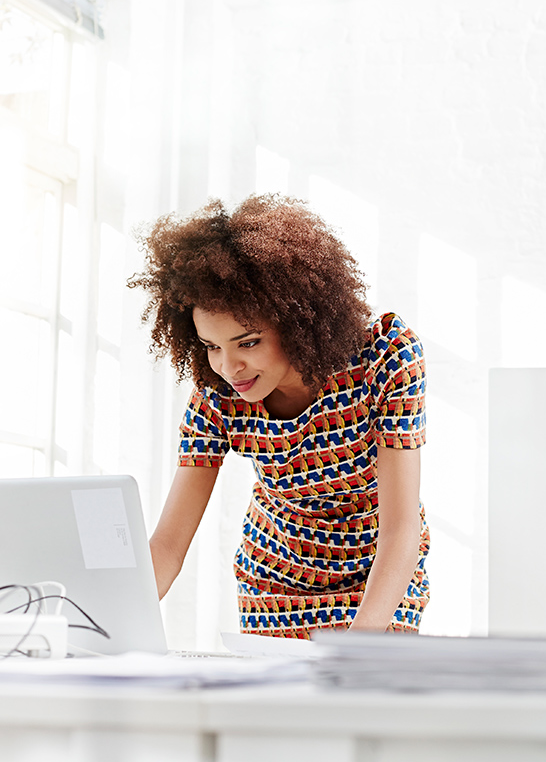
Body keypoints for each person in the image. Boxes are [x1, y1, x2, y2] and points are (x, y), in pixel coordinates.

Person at [128, 194, 430, 638]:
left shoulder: (385, 356)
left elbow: (401, 529)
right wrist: (103, 627)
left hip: (380, 573)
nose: (229, 367)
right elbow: (169, 544)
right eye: (213, 346)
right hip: (274, 585)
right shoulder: (219, 393)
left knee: (361, 701)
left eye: (247, 342)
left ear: (297, 321)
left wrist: (359, 646)